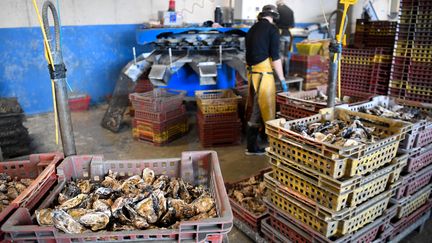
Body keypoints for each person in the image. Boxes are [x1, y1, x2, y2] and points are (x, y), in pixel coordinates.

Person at [245, 5, 287, 156]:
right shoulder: (272, 30)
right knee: (263, 108)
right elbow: (275, 57)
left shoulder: (251, 29)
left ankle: (257, 141)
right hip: (263, 76)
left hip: (253, 75)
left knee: (257, 107)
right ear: (274, 16)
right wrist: (282, 79)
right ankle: (253, 147)